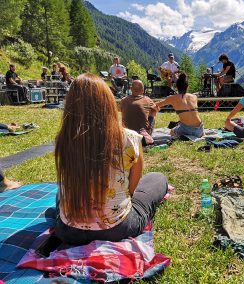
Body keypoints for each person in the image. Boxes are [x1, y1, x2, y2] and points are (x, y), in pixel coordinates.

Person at [54, 73, 168, 245]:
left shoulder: (63, 139)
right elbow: (131, 190)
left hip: (68, 231)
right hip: (116, 228)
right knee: (157, 178)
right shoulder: (129, 138)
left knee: (60, 194)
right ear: (107, 103)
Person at [155, 73, 204, 138]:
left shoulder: (172, 98)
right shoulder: (194, 97)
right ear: (187, 86)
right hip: (200, 130)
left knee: (172, 131)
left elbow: (157, 105)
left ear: (177, 87)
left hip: (187, 129)